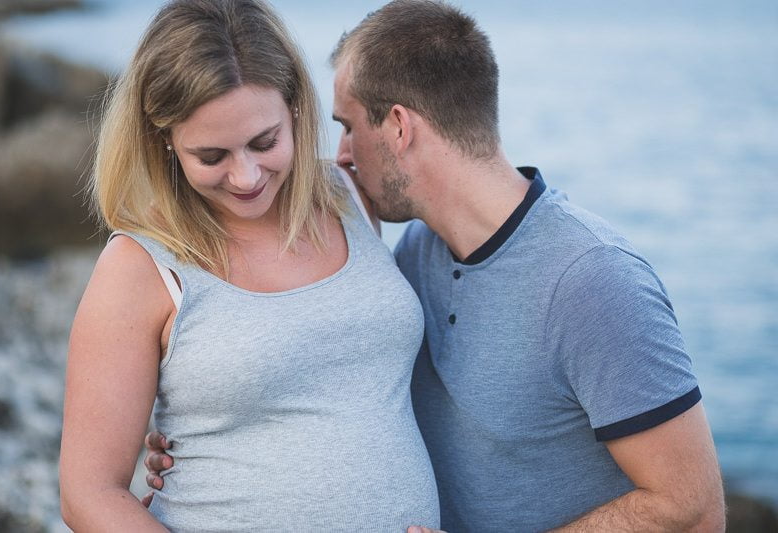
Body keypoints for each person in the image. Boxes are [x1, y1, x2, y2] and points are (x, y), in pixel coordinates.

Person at [140, 0, 726, 531]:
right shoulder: (416, 252)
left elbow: (693, 508)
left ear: (398, 127)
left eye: (346, 127)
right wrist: (203, 437)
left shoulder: (592, 280)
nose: (338, 155)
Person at [58, 0, 441, 531]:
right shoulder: (139, 265)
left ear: (296, 109)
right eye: (212, 156)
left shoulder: (352, 198)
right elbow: (88, 494)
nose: (246, 177)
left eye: (265, 142)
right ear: (163, 140)